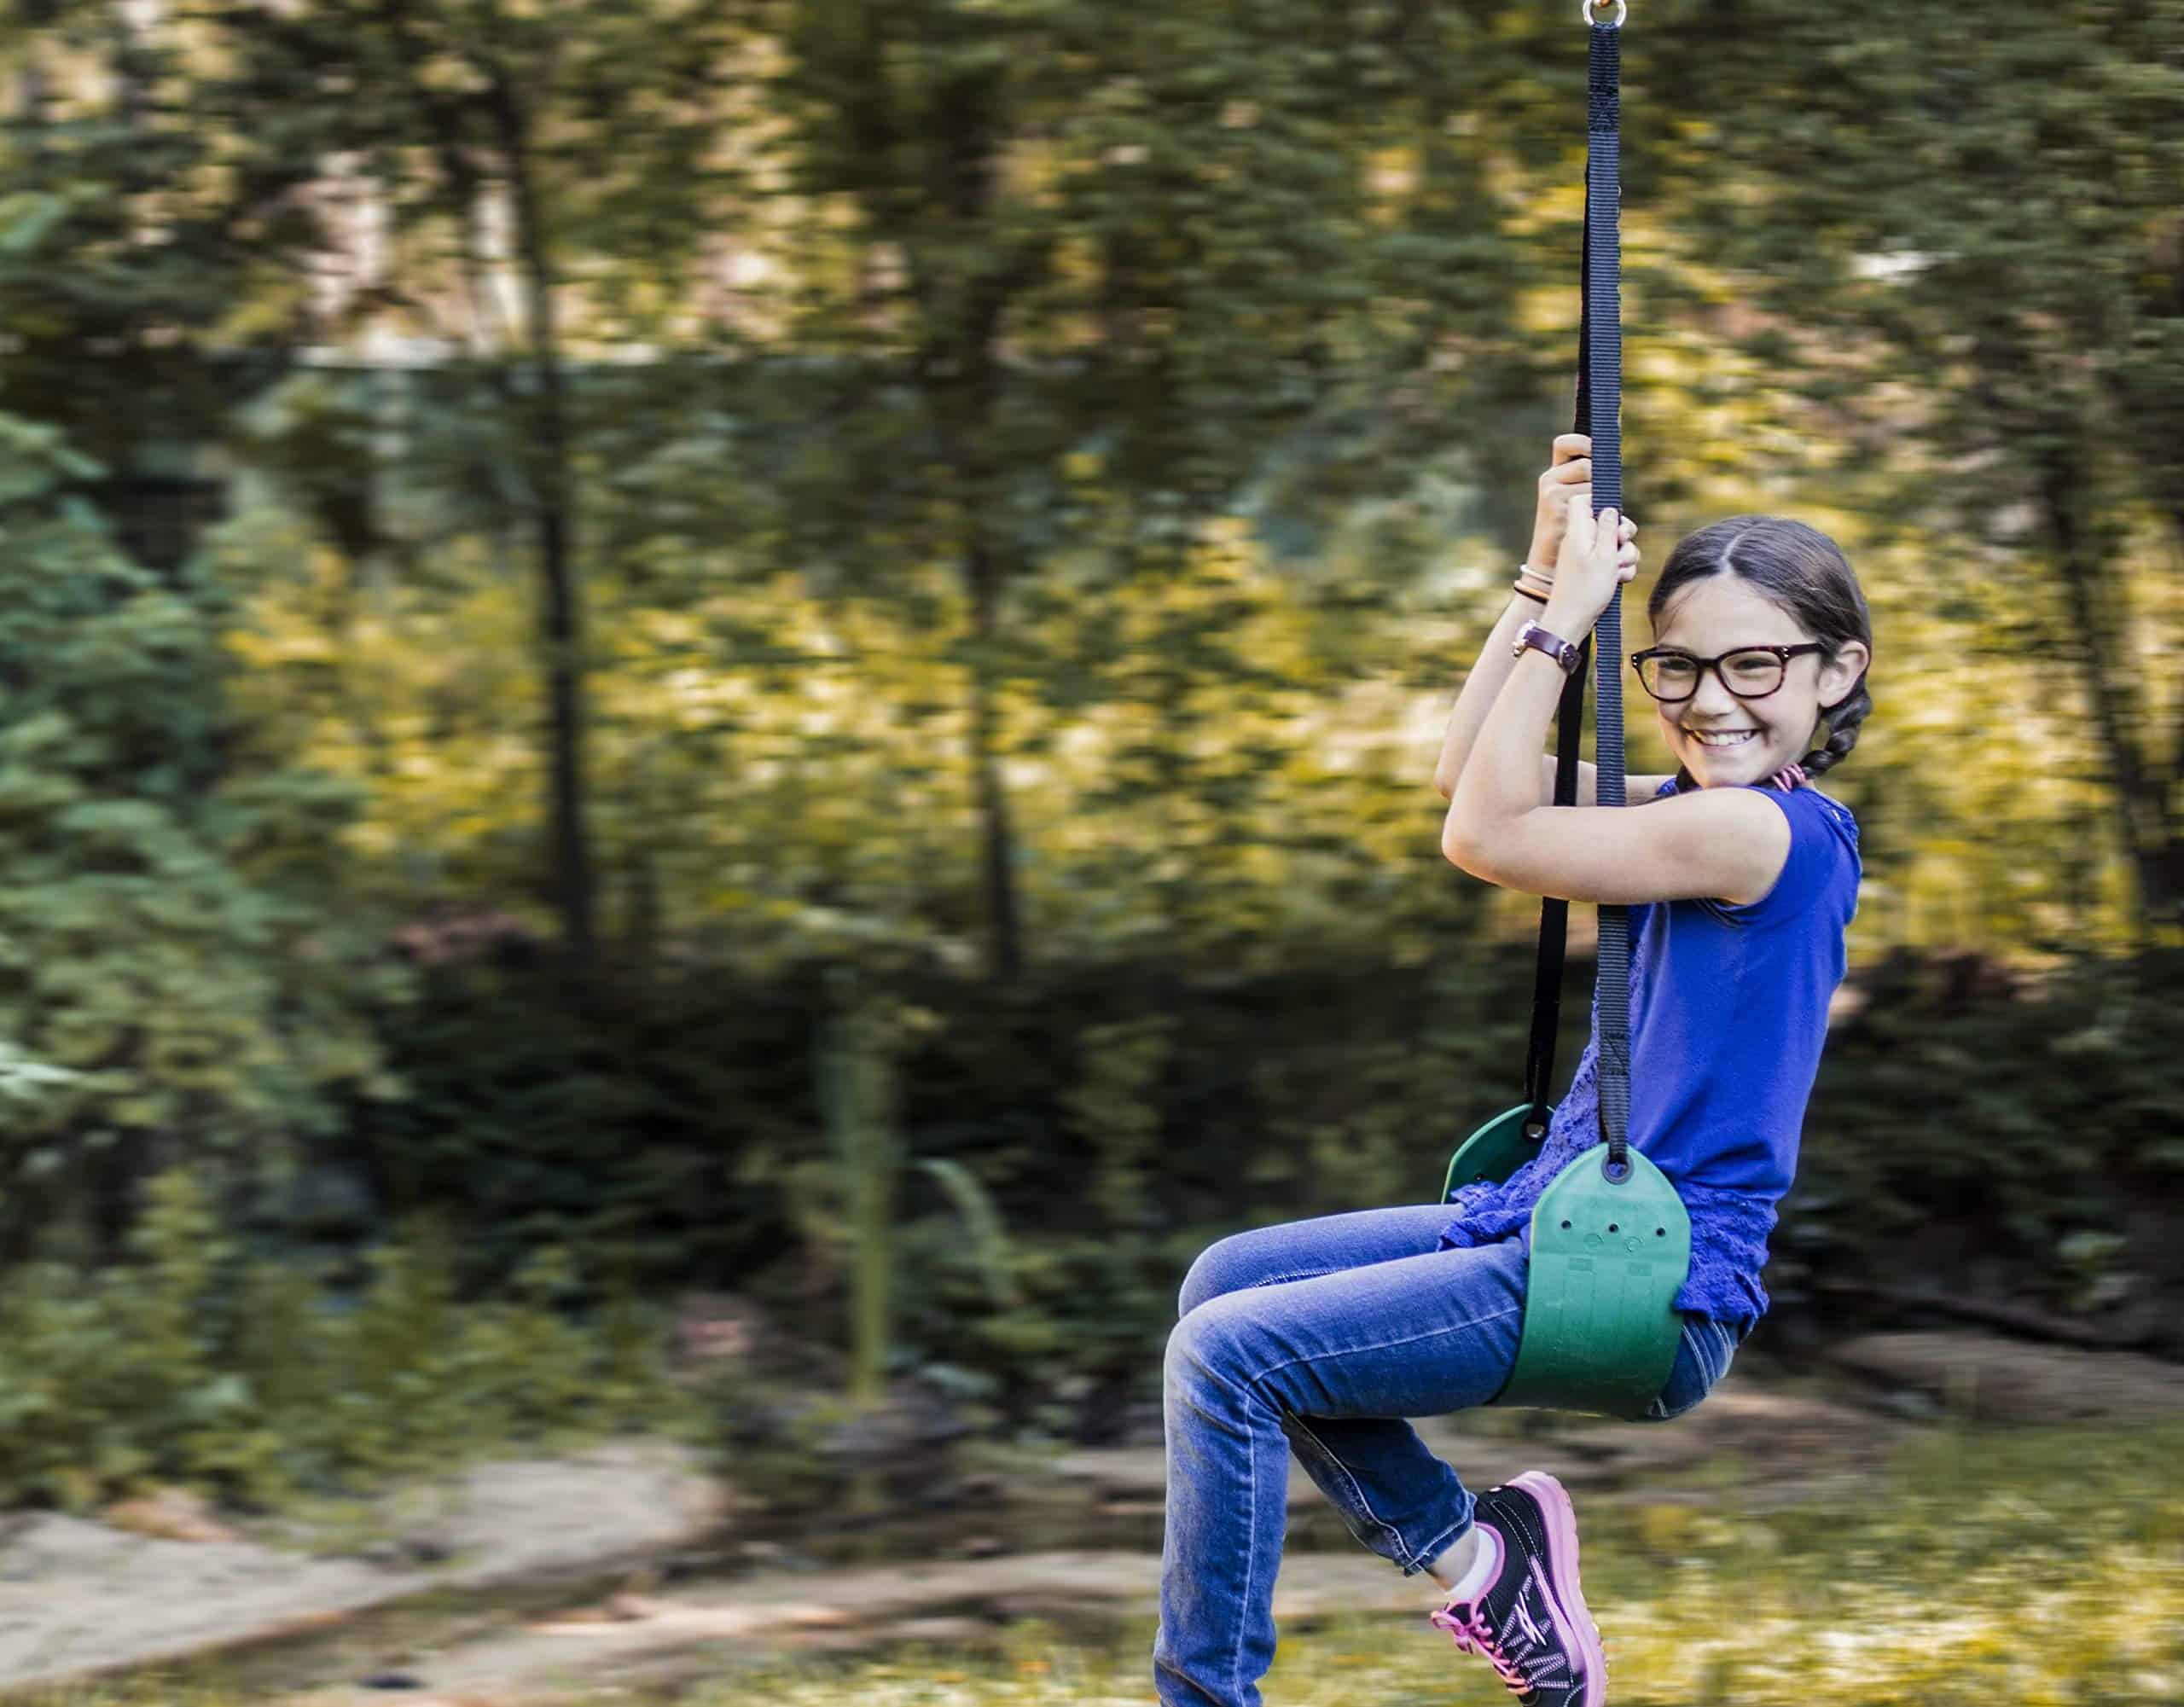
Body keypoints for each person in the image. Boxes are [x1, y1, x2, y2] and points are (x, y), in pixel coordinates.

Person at [1153, 433, 1873, 1707]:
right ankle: (1485, 1565)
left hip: (1643, 1277)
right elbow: (1468, 778)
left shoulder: (1760, 831)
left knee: (1228, 1354)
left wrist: (1565, 627)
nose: (1711, 700)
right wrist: (1542, 580)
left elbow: (1483, 834)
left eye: (1754, 664)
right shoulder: (1695, 809)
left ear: (1837, 671)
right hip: (1569, 1227)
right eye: (1677, 667)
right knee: (1228, 1286)